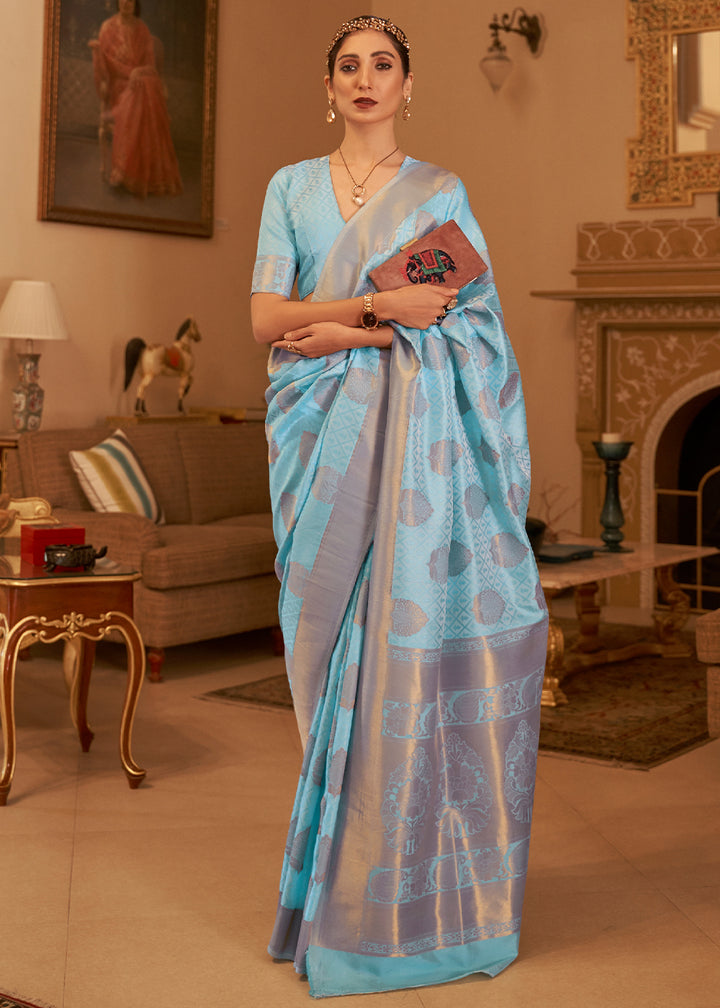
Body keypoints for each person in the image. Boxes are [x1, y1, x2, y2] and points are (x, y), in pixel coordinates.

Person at [251, 15, 549, 999]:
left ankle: (394, 912)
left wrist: (344, 333)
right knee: (321, 650)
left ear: (409, 84)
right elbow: (267, 320)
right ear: (328, 85)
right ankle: (342, 883)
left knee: (395, 666)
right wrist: (375, 317)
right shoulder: (290, 188)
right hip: (317, 449)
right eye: (349, 65)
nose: (365, 79)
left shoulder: (441, 196)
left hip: (411, 457)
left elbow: (470, 335)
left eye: (383, 64)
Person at [90, 0, 182, 198]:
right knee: (143, 91)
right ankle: (126, 170)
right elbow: (108, 65)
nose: (126, 3)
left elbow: (150, 64)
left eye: (131, 0)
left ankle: (143, 175)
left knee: (145, 87)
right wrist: (130, 72)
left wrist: (138, 73)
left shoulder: (142, 29)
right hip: (119, 85)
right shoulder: (108, 28)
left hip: (139, 80)